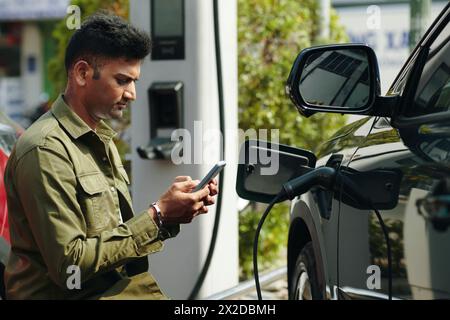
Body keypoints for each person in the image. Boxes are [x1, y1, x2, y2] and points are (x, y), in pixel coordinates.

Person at [3, 13, 218, 300]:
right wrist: (157, 215)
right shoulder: (45, 149)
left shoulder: (99, 139)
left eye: (134, 82)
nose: (132, 94)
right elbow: (71, 266)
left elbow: (112, 238)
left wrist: (169, 216)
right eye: (122, 80)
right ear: (81, 73)